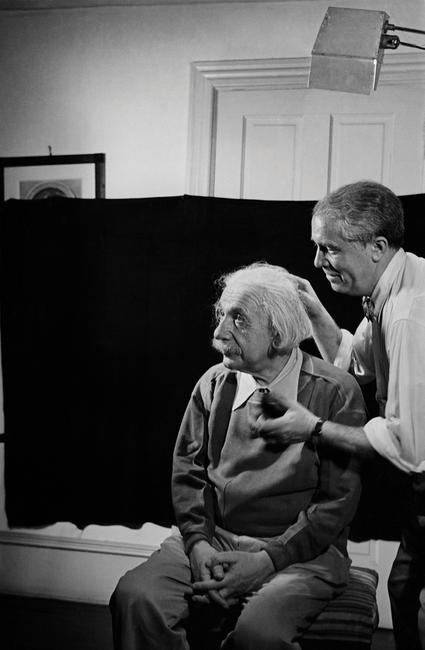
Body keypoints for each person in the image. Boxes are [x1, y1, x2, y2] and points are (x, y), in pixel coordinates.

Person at [110, 261, 367, 650]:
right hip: (217, 539)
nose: (219, 332)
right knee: (136, 597)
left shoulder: (336, 391)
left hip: (303, 554)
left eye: (239, 320)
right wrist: (198, 543)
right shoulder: (213, 383)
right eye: (222, 316)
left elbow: (337, 501)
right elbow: (189, 472)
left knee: (258, 636)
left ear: (278, 334)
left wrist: (268, 559)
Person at [256, 181, 425, 650]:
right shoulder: (393, 285)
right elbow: (355, 361)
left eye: (330, 249)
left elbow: (410, 447)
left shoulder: (411, 312)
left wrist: (310, 429)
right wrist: (312, 305)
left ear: (377, 247)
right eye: (316, 247)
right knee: (404, 590)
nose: (318, 261)